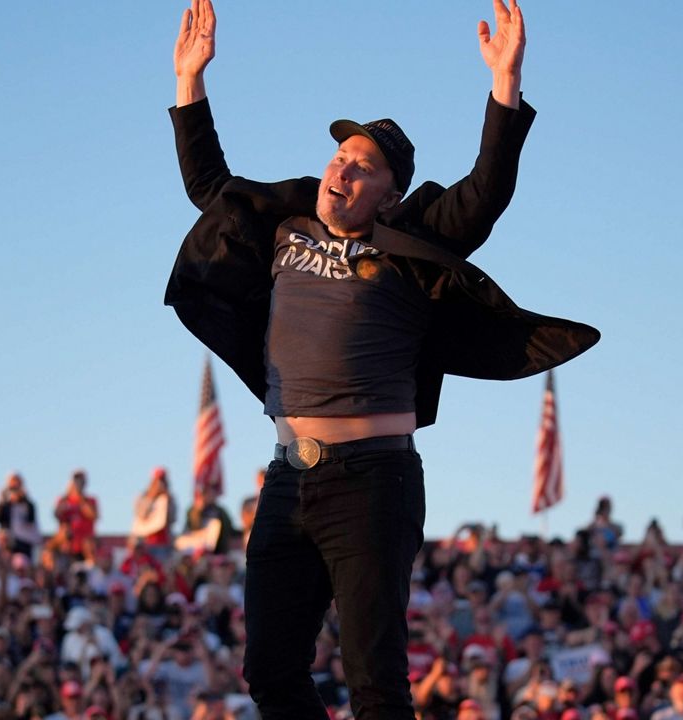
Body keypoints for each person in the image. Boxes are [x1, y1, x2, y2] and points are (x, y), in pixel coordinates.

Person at [166, 1, 596, 718]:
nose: (342, 168)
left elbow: (482, 197)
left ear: (388, 192)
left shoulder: (407, 244)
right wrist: (190, 83)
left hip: (373, 480)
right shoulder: (286, 223)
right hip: (285, 478)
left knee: (374, 684)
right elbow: (213, 191)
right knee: (270, 670)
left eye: (363, 165)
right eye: (339, 155)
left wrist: (505, 84)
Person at [52, 469, 100, 562]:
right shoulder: (63, 500)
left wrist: (81, 498)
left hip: (85, 549)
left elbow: (93, 515)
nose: (79, 483)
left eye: (81, 480)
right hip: (68, 548)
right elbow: (56, 514)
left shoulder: (91, 500)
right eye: (76, 480)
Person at [132, 466, 178, 555]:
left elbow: (173, 519)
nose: (160, 484)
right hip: (146, 542)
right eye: (158, 481)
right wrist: (152, 497)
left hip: (165, 543)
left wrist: (168, 503)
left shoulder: (169, 499)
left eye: (163, 481)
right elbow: (141, 514)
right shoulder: (142, 497)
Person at [0, 471, 41, 557]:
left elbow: (31, 519)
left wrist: (24, 498)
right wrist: (2, 501)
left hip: (26, 543)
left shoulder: (28, 504)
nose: (14, 490)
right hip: (10, 543)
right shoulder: (6, 505)